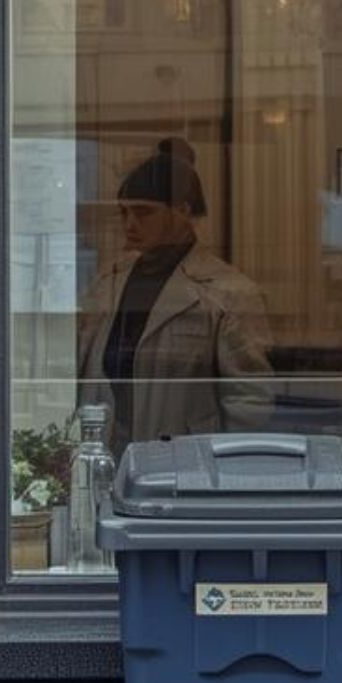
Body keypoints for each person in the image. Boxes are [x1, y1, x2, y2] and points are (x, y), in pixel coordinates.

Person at [76, 139, 274, 451]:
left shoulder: (227, 291)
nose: (130, 224)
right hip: (103, 452)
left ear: (182, 211)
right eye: (124, 213)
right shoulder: (109, 280)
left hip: (183, 464)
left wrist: (219, 472)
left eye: (143, 213)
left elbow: (249, 402)